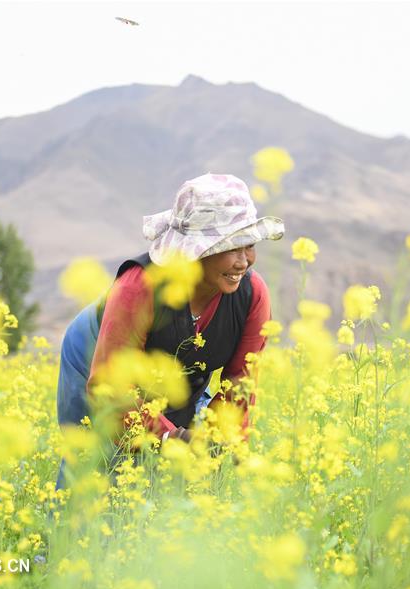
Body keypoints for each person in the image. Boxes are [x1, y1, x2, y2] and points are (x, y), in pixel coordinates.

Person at [55, 173, 284, 488]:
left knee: (174, 469)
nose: (244, 261)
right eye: (232, 248)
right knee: (92, 456)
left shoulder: (252, 295)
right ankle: (66, 530)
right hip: (96, 354)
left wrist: (217, 441)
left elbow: (239, 384)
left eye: (250, 246)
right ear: (198, 250)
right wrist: (167, 436)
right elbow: (110, 388)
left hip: (177, 370)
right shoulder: (140, 288)